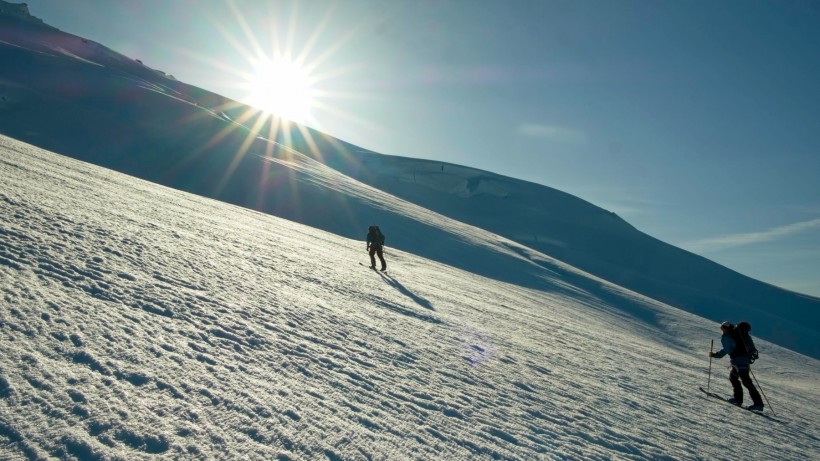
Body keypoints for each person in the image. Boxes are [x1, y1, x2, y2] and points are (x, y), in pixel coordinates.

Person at [709, 321, 764, 410]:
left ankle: (758, 404)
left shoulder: (727, 336)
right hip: (743, 360)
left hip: (738, 361)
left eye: (722, 329)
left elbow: (727, 349)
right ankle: (739, 400)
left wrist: (715, 355)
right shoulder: (739, 335)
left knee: (745, 381)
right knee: (735, 378)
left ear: (726, 328)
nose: (722, 331)